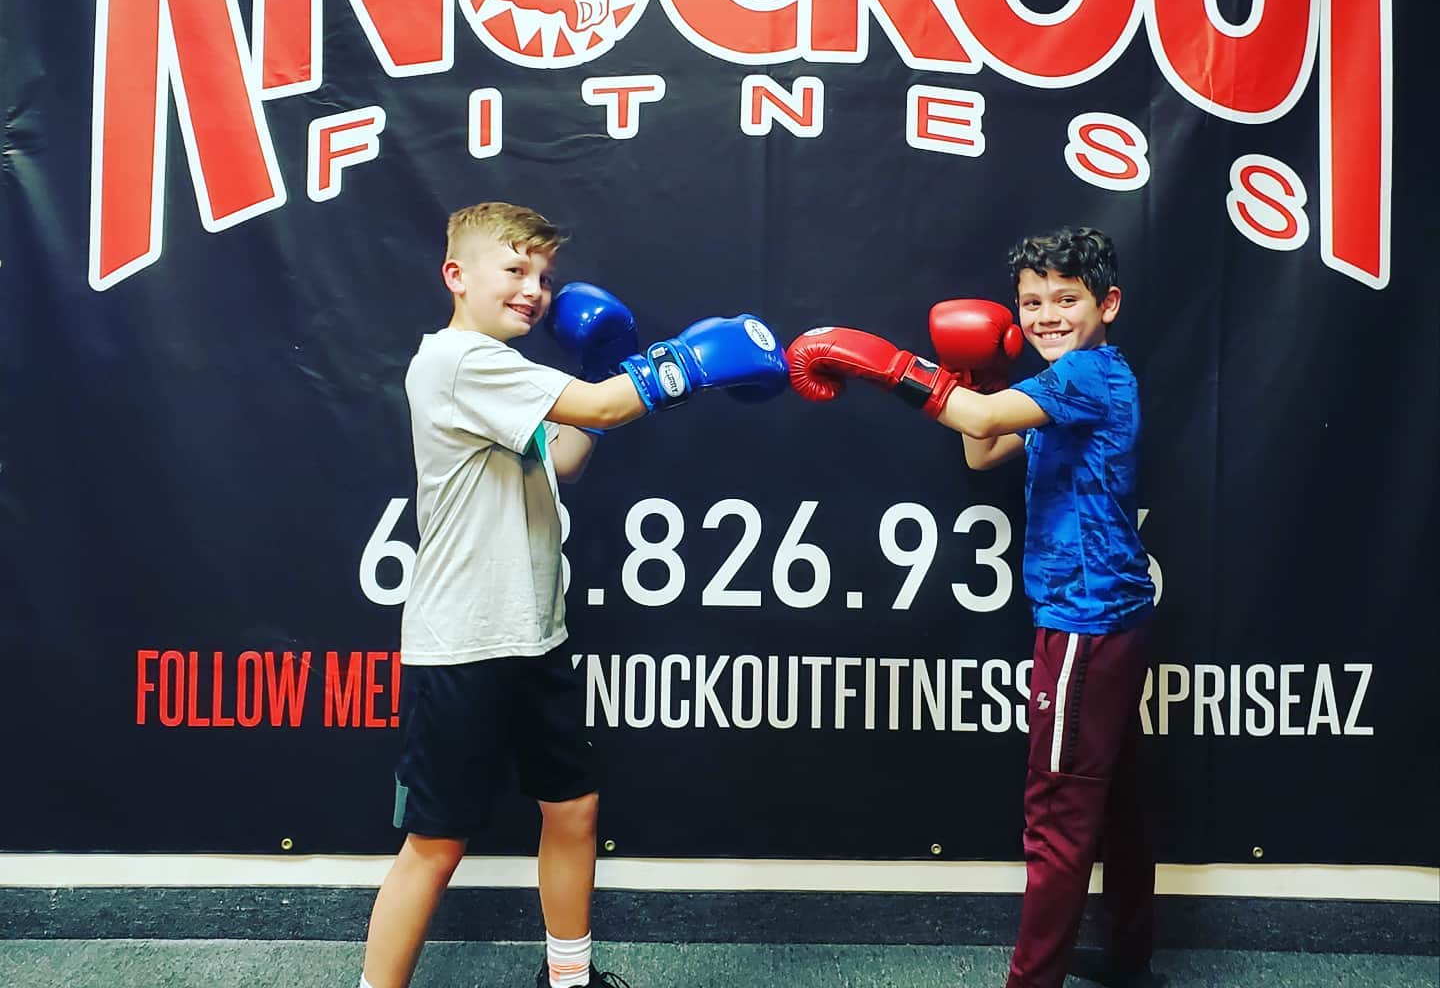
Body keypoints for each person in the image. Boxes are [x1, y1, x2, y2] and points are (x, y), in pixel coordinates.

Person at [360, 201, 788, 988]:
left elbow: (563, 455)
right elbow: (602, 407)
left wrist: (603, 373)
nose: (534, 289)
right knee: (437, 842)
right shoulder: (460, 360)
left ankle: (568, 979)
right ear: (456, 276)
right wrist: (687, 363)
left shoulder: (500, 375)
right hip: (464, 645)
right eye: (514, 269)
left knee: (573, 808)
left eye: (544, 276)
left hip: (535, 635)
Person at [786, 226, 1158, 988]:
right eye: (1033, 302)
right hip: (1110, 618)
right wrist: (976, 377)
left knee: (1057, 816)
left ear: (1108, 304)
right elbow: (982, 449)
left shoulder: (1086, 376)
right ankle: (1127, 954)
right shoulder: (1068, 386)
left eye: (1067, 299)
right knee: (1114, 797)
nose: (1047, 316)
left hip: (1083, 622)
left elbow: (980, 424)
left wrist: (887, 365)